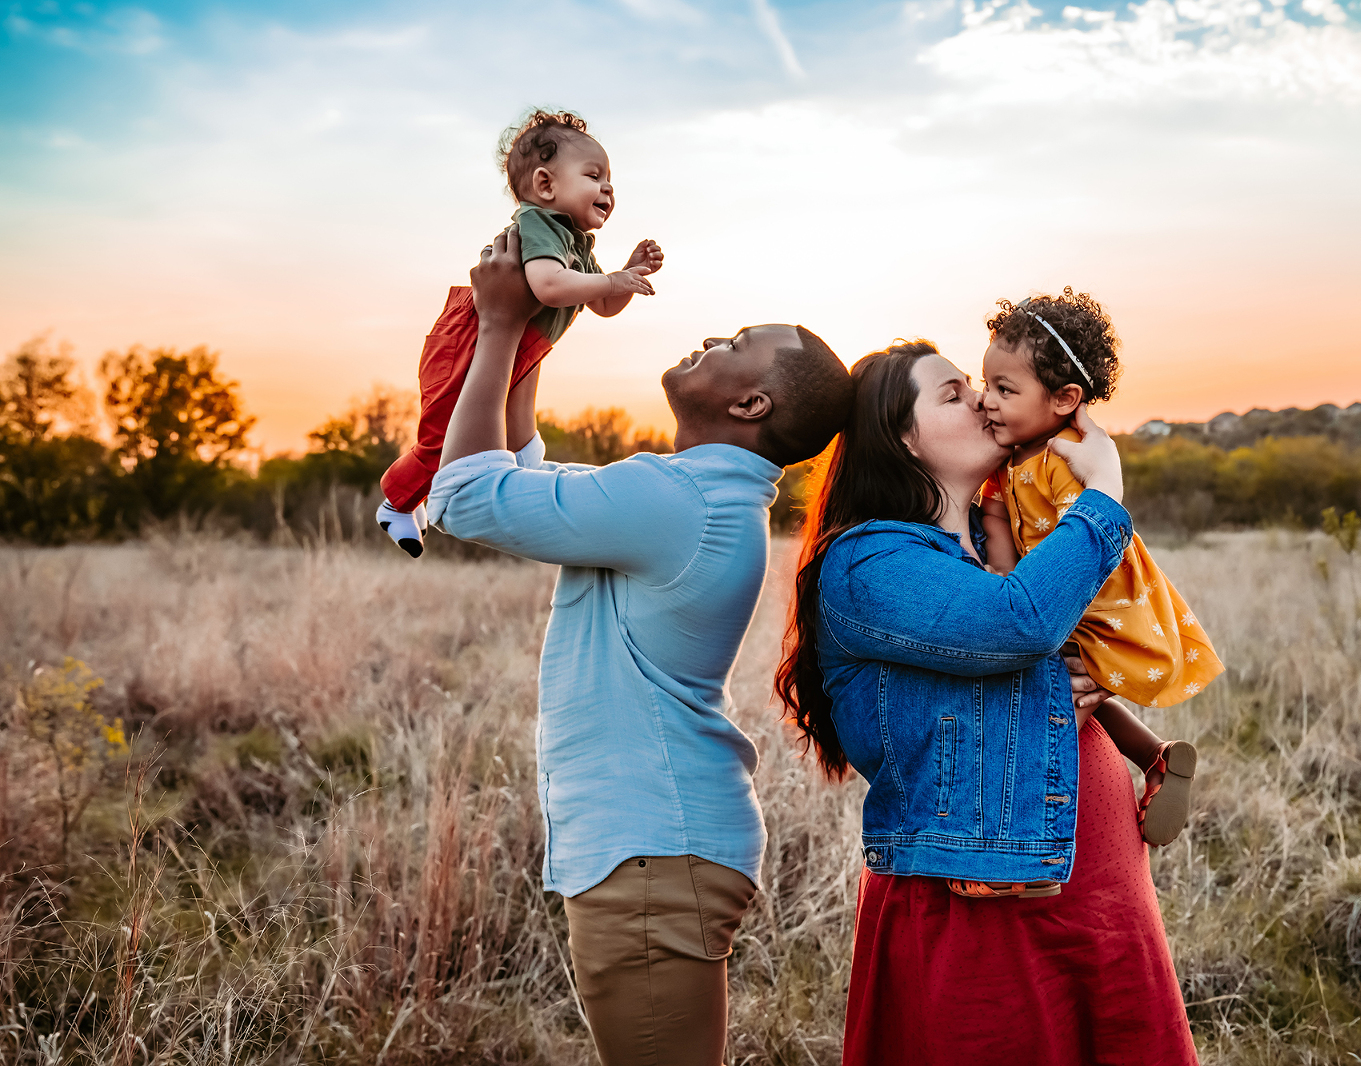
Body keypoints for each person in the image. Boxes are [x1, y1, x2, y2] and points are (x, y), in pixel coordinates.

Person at [430, 227, 854, 1065]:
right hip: (654, 851)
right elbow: (523, 471)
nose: (710, 340)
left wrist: (499, 326)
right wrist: (541, 324)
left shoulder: (679, 502)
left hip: (655, 856)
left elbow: (465, 496)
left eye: (736, 345)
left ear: (752, 406)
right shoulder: (689, 495)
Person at [776, 341, 1199, 1064]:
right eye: (950, 394)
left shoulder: (995, 539)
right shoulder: (869, 561)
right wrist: (1103, 496)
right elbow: (1017, 625)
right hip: (976, 896)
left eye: (974, 385)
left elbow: (1037, 643)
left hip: (1093, 875)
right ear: (900, 439)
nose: (978, 399)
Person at [978, 288, 1223, 847]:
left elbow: (1086, 549)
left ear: (1065, 398)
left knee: (1057, 703)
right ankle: (1154, 756)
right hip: (1054, 598)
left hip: (1096, 598)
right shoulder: (1010, 460)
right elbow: (999, 529)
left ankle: (1028, 829)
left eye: (1005, 389)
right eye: (985, 382)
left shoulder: (1066, 458)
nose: (986, 399)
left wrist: (1037, 607)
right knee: (1063, 688)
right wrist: (1001, 581)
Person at [376, 109, 664, 557]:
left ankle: (498, 478)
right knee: (445, 436)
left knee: (491, 432)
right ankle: (396, 502)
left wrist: (627, 273)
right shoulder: (540, 225)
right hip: (470, 338)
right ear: (546, 185)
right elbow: (549, 287)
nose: (608, 187)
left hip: (512, 346)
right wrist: (612, 280)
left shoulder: (576, 242)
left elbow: (603, 306)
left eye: (610, 178)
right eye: (594, 174)